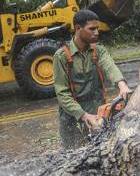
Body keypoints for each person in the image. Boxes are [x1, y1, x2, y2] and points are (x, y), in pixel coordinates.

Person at [53, 10, 131, 149]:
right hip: (72, 118)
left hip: (97, 113)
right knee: (73, 158)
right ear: (78, 28)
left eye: (97, 29)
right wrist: (83, 116)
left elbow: (110, 67)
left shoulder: (99, 51)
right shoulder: (61, 57)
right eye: (92, 29)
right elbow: (62, 95)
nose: (97, 32)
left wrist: (122, 85)